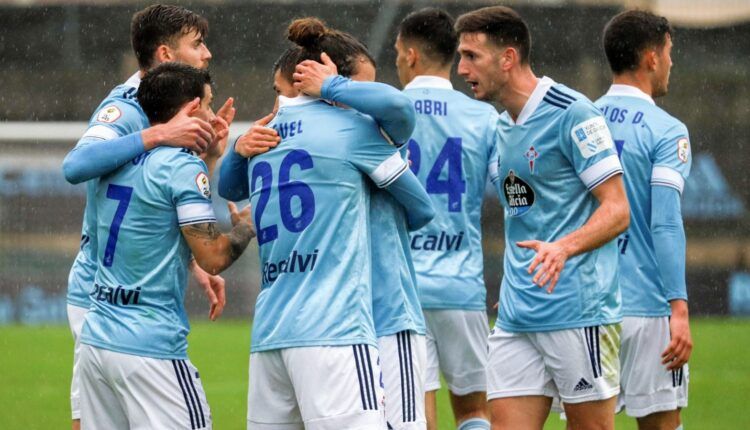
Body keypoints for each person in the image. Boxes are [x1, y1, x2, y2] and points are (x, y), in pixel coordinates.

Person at [220, 18, 434, 429]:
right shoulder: (354, 133)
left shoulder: (266, 139)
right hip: (350, 318)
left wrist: (236, 152)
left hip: (285, 324)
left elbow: (230, 186)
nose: (365, 103)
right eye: (361, 89)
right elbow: (422, 209)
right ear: (327, 81)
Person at [454, 6, 630, 429]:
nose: (460, 69)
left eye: (471, 56)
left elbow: (618, 209)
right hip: (517, 316)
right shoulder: (501, 126)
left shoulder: (573, 113)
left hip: (578, 311)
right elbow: (528, 212)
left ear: (508, 58)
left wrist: (563, 248)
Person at [60, 5, 234, 429]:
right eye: (197, 44)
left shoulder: (170, 104)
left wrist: (191, 259)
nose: (207, 53)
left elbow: (150, 197)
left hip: (121, 296)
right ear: (164, 53)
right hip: (104, 297)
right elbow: (74, 166)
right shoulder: (125, 108)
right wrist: (157, 134)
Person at [394, 8, 500, 430]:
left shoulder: (384, 111)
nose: (399, 61)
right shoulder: (482, 116)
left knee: (415, 413)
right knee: (475, 411)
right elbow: (514, 196)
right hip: (461, 286)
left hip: (401, 290)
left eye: (399, 52)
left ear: (413, 54)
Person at [596, 10, 692, 429]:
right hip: (648, 308)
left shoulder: (580, 118)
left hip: (589, 306)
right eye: (670, 52)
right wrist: (680, 308)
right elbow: (665, 223)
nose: (673, 62)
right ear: (651, 58)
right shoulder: (666, 130)